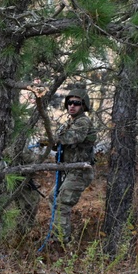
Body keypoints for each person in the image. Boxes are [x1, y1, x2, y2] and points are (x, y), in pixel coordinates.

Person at [45, 86, 97, 245]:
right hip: (69, 171)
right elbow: (57, 143)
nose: (72, 106)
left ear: (83, 106)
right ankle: (57, 237)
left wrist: (54, 140)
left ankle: (62, 243)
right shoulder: (69, 123)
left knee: (62, 204)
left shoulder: (83, 121)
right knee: (53, 198)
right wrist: (51, 142)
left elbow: (73, 138)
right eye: (69, 103)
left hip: (80, 171)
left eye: (76, 103)